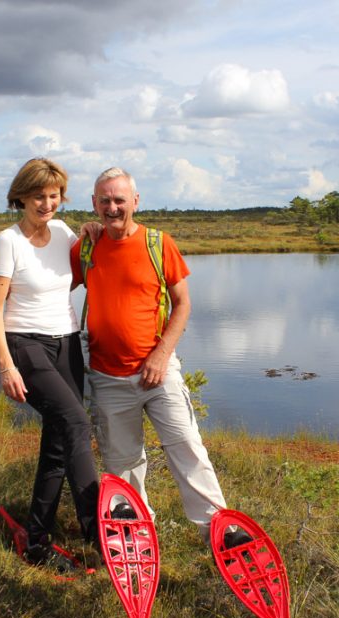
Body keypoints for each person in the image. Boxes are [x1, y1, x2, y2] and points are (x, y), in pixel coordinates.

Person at [71, 167, 249, 548]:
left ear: (136, 201)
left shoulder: (158, 243)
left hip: (159, 370)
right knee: (122, 464)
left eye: (120, 200)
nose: (113, 207)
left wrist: (161, 354)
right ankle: (135, 536)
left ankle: (219, 530)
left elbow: (183, 303)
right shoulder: (86, 247)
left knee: (187, 446)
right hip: (107, 376)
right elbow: (48, 284)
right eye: (105, 200)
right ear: (94, 204)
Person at [0, 158, 99, 570]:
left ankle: (36, 540)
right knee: (75, 422)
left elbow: (80, 275)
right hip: (25, 345)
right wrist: (6, 366)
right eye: (39, 196)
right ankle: (95, 530)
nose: (47, 203)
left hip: (66, 341)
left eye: (54, 196)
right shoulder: (8, 241)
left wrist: (88, 236)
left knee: (56, 444)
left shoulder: (64, 233)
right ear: (21, 197)